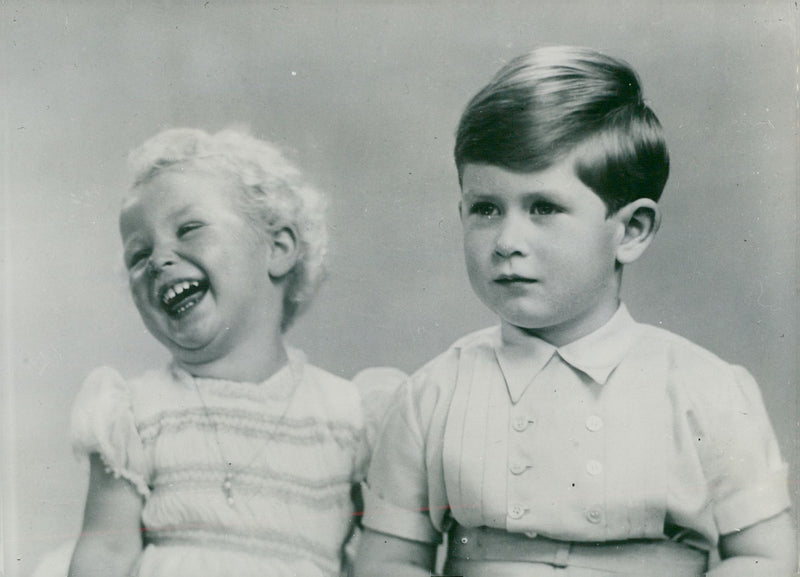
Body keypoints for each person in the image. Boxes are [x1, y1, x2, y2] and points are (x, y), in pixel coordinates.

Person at [354, 46, 796, 576]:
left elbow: (764, 557)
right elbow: (389, 561)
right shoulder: (433, 397)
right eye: (486, 209)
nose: (507, 240)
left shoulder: (706, 391)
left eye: (544, 208)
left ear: (631, 230)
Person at [68, 128, 396, 577]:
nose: (160, 258)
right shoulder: (135, 414)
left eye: (189, 229)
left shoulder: (348, 417)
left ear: (278, 250)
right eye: (138, 255)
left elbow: (385, 560)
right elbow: (105, 555)